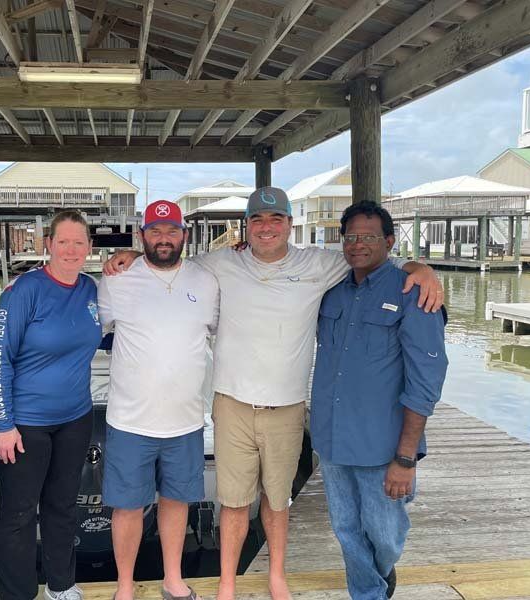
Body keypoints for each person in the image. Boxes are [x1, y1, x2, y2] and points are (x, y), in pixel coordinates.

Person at [104, 187, 444, 600]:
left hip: (288, 406)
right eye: (258, 220)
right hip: (230, 402)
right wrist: (135, 258)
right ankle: (227, 583)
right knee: (233, 502)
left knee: (278, 500)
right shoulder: (218, 264)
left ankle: (279, 577)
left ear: (289, 224)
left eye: (276, 219)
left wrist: (419, 266)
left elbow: (372, 261)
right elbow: (170, 263)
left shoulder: (321, 264)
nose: (267, 227)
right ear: (245, 228)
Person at [311, 202, 448, 599]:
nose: (358, 244)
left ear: (389, 241)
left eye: (369, 236)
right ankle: (369, 592)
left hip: (383, 445)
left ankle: (380, 574)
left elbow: (426, 380)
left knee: (385, 534)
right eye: (350, 237)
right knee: (346, 529)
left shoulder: (412, 292)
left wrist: (405, 458)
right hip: (333, 438)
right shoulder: (331, 289)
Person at [97, 200, 219, 600]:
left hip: (185, 421)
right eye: (155, 231)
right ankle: (125, 586)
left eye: (171, 231)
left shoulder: (206, 281)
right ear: (142, 235)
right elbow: (89, 328)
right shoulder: (117, 279)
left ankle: (172, 579)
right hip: (130, 421)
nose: (163, 239)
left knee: (176, 501)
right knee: (128, 508)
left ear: (184, 235)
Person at [0, 210, 101, 600]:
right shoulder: (24, 291)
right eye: (63, 241)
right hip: (24, 425)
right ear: (48, 245)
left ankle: (61, 585)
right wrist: (3, 423)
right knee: (19, 514)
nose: (71, 249)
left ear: (89, 247)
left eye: (79, 242)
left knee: (63, 506)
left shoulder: (91, 289)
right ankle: (16, 594)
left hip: (75, 418)